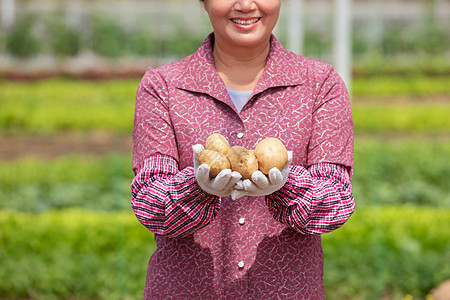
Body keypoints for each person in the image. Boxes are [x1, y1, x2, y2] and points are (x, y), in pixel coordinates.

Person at [131, 0, 355, 298]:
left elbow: (336, 202)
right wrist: (195, 188)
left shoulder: (320, 86)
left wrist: (288, 186)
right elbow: (149, 203)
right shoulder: (163, 87)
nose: (246, 4)